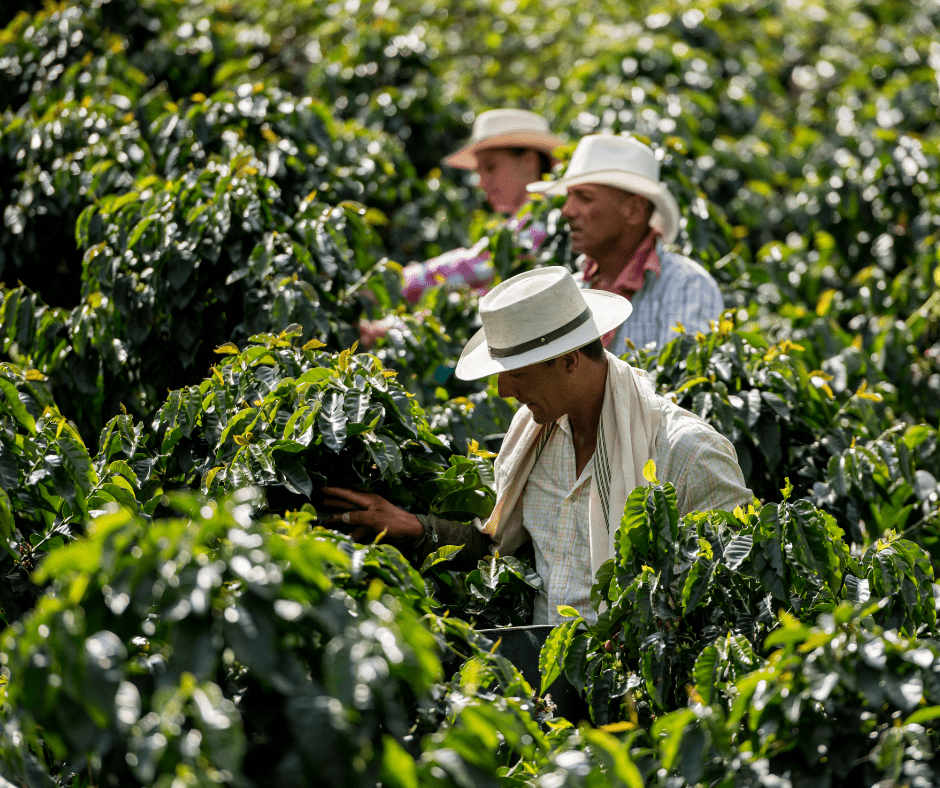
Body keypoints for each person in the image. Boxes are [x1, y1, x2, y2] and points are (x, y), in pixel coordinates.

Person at [324, 267, 751, 625]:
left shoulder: (687, 453)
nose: (503, 388)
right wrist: (415, 527)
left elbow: (735, 598)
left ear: (569, 361)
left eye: (517, 372)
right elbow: (496, 545)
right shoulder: (535, 435)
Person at [526, 134, 724, 353]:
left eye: (585, 197)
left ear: (634, 210)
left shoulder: (686, 286)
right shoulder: (573, 290)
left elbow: (683, 382)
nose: (567, 211)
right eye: (570, 197)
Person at [398, 108, 564, 304]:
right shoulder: (523, 220)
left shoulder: (548, 217)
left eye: (491, 167)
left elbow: (481, 264)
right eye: (479, 171)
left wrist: (395, 282)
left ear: (529, 161)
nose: (481, 182)